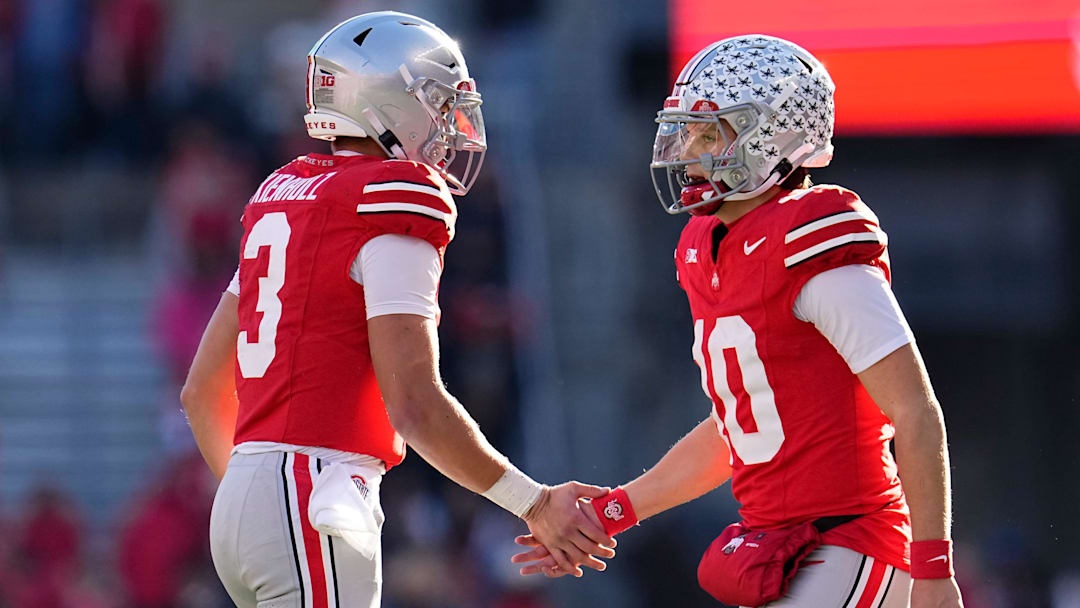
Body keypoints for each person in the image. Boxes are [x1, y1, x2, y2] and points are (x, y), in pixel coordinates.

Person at [512, 35, 965, 608]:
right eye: (687, 132)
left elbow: (915, 411)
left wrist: (933, 570)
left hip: (853, 539)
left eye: (710, 134)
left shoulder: (810, 238)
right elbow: (740, 425)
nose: (688, 151)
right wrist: (614, 511)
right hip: (781, 547)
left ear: (774, 140)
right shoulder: (707, 246)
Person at [180, 12, 614, 608]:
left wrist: (253, 493)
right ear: (385, 101)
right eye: (439, 102)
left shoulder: (286, 196)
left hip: (243, 505)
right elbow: (413, 404)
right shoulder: (391, 199)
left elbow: (201, 391)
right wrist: (533, 503)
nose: (450, 121)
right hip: (317, 492)